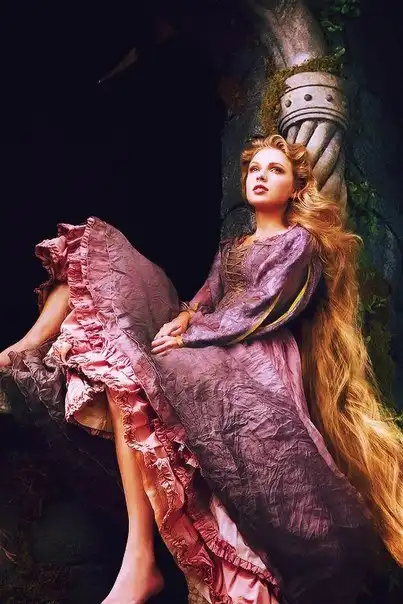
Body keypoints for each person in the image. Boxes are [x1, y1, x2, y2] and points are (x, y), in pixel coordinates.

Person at [1, 134, 402, 604]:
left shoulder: (298, 243)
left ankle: (142, 561)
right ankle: (17, 351)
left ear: (295, 188)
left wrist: (190, 335)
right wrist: (185, 318)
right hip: (206, 339)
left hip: (251, 355)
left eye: (275, 170)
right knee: (98, 259)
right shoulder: (233, 246)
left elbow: (258, 308)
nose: (261, 176)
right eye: (255, 169)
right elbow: (205, 299)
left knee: (158, 366)